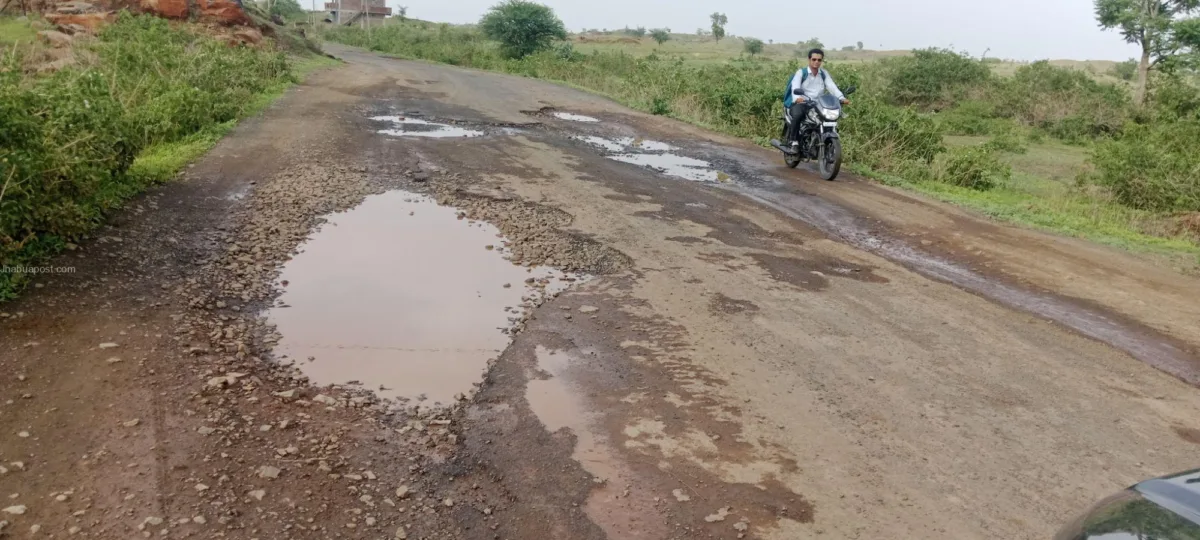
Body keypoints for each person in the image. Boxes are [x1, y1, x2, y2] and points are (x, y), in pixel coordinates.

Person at [782, 48, 849, 152]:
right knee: (798, 115)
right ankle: (794, 141)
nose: (816, 62)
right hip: (803, 102)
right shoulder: (801, 73)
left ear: (821, 61)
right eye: (814, 59)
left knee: (829, 118)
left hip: (818, 104)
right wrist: (797, 98)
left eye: (819, 60)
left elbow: (832, 87)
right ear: (809, 60)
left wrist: (841, 98)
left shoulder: (823, 74)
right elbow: (795, 86)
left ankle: (821, 142)